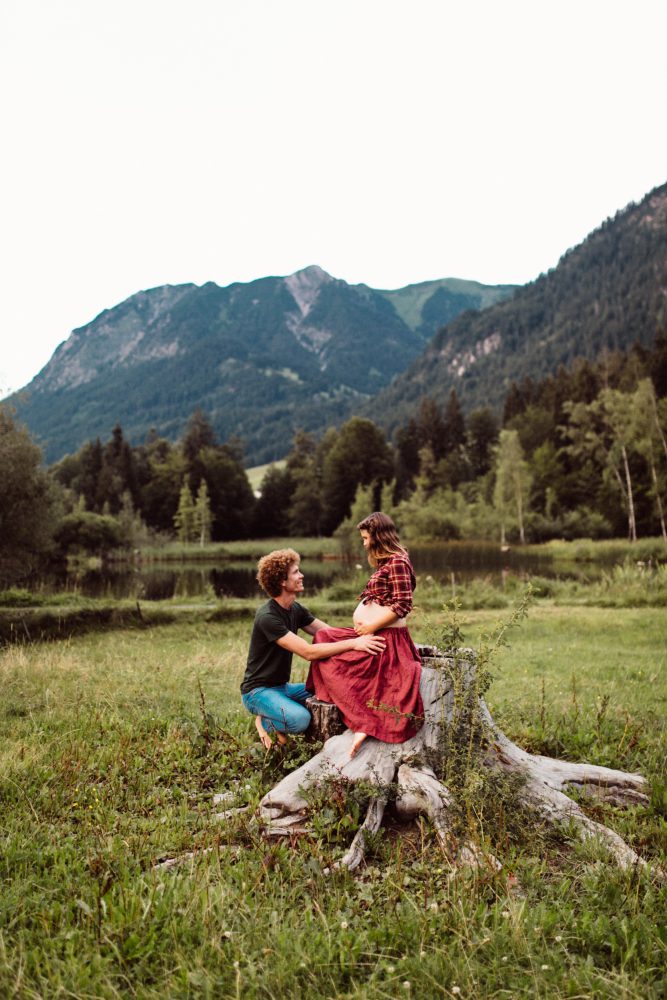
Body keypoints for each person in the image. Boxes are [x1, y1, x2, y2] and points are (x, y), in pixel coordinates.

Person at [241, 548, 386, 749]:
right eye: (295, 572)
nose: (301, 575)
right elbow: (308, 652)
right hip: (257, 691)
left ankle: (280, 713)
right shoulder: (268, 617)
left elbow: (329, 632)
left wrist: (370, 630)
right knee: (300, 719)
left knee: (333, 689)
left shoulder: (295, 609)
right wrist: (354, 644)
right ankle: (264, 721)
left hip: (282, 688)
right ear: (282, 581)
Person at [307, 512, 424, 757]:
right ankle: (355, 713)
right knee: (323, 638)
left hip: (386, 639)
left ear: (378, 536)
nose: (363, 543)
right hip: (372, 634)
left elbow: (403, 604)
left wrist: (370, 628)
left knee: (346, 661)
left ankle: (365, 721)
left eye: (365, 538)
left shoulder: (398, 562)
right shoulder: (387, 563)